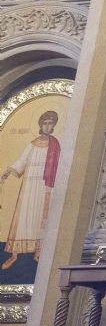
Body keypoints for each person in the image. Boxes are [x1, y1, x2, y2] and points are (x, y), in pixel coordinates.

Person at [1, 110, 61, 270]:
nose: (47, 126)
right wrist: (8, 170)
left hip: (44, 186)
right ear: (40, 125)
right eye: (45, 123)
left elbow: (59, 165)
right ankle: (14, 254)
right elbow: (21, 161)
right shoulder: (32, 144)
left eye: (50, 123)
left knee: (41, 217)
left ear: (53, 126)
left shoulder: (55, 144)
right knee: (23, 216)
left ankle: (38, 251)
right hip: (29, 186)